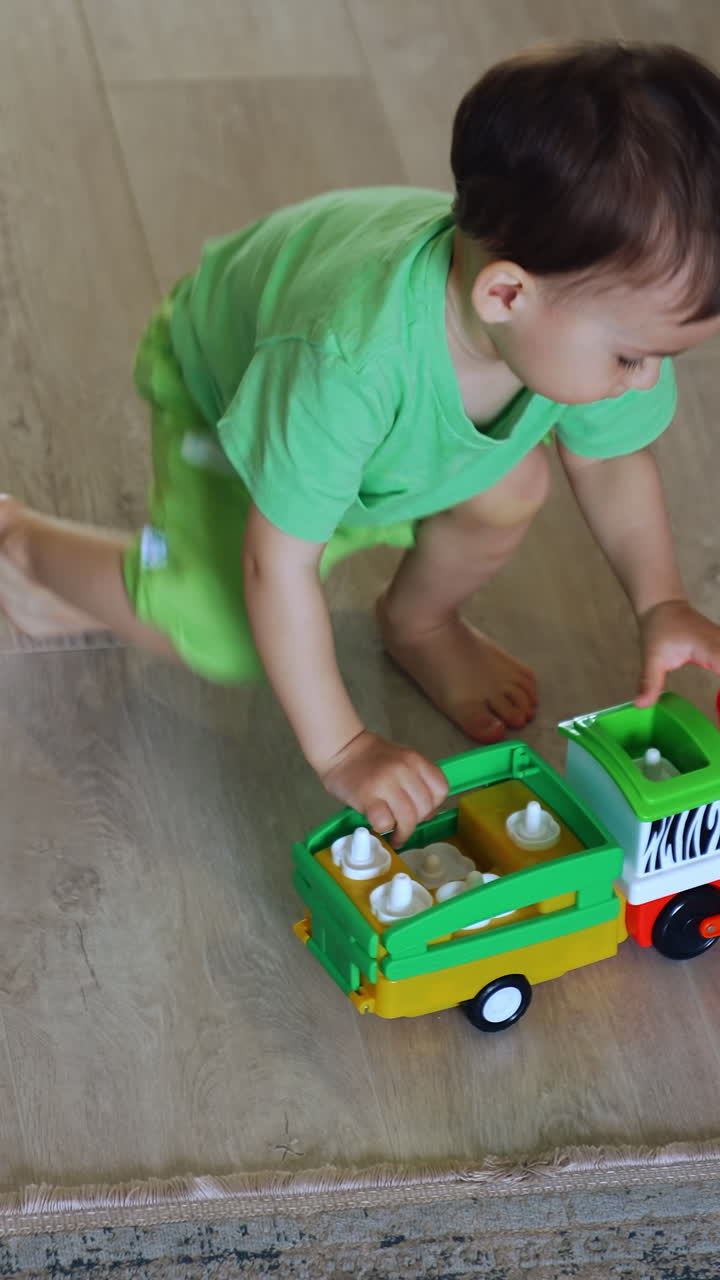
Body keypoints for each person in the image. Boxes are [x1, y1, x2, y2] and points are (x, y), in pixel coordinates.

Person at [3, 40, 720, 847]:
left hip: (374, 430)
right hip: (238, 400)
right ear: (506, 291)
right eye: (632, 355)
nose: (649, 379)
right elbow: (274, 564)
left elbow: (613, 456)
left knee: (511, 486)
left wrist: (662, 603)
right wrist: (345, 746)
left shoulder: (537, 316)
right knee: (218, 623)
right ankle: (26, 553)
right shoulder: (345, 361)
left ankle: (419, 622)